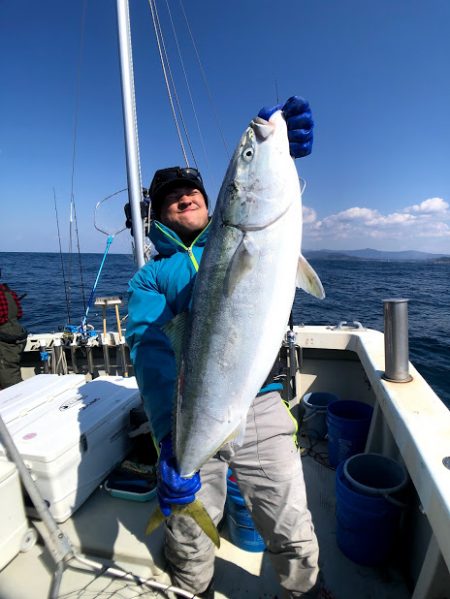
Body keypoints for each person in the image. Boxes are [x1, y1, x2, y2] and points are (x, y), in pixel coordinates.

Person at [126, 97, 322, 598]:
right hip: (189, 414)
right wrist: (171, 439)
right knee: (189, 533)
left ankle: (304, 590)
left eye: (193, 190)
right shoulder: (150, 278)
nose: (184, 197)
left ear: (215, 203)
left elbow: (264, 200)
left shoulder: (243, 236)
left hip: (260, 401)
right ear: (156, 216)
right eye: (171, 196)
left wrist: (284, 155)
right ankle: (194, 589)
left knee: (290, 521)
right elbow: (150, 351)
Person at [0, 270, 27, 389]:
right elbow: (19, 313)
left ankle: (20, 402)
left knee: (8, 378)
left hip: (5, 339)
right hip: (17, 334)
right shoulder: (10, 293)